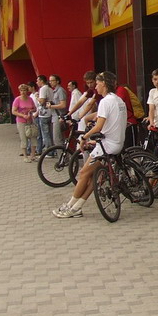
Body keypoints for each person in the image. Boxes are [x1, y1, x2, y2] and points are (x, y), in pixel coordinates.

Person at [53, 71, 127, 218]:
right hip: (116, 143)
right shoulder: (118, 100)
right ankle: (77, 206)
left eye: (97, 83)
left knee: (83, 173)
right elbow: (113, 124)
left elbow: (99, 126)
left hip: (106, 146)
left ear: (104, 84)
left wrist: (84, 137)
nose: (96, 87)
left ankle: (70, 206)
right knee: (94, 176)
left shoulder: (105, 101)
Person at [11, 84, 38, 163]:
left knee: (33, 137)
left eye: (24, 90)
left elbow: (34, 108)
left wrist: (31, 111)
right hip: (21, 121)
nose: (23, 92)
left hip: (30, 120)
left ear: (27, 91)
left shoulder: (30, 99)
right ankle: (25, 156)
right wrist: (22, 115)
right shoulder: (17, 100)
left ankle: (33, 155)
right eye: (21, 90)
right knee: (24, 138)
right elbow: (13, 111)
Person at [36, 75, 54, 153]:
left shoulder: (43, 89)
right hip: (50, 112)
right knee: (50, 133)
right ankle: (53, 149)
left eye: (38, 81)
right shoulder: (50, 88)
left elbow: (42, 101)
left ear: (41, 81)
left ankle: (49, 151)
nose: (37, 82)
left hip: (44, 114)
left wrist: (37, 98)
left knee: (45, 134)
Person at [48, 75, 68, 145]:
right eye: (49, 81)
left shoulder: (60, 90)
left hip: (59, 116)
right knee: (60, 137)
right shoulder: (54, 91)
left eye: (52, 80)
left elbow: (63, 105)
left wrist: (51, 106)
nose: (50, 82)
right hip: (55, 116)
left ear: (57, 81)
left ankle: (60, 152)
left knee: (57, 139)